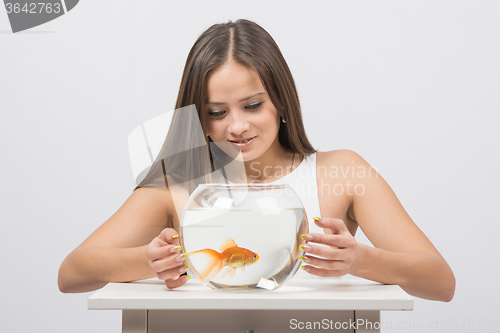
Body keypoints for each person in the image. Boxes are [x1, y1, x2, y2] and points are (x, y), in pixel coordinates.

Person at [58, 19, 455, 301]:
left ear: (280, 100)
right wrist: (145, 261)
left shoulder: (343, 172)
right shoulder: (178, 183)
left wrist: (361, 259)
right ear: (198, 118)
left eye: (252, 105)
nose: (237, 126)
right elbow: (71, 273)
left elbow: (442, 283)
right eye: (216, 113)